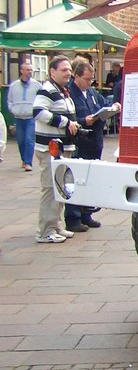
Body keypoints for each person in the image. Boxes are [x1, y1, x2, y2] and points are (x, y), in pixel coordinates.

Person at [65, 57, 120, 232]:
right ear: (76, 77)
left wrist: (114, 107)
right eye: (87, 79)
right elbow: (69, 120)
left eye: (91, 79)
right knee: (76, 179)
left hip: (95, 141)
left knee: (90, 179)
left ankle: (86, 214)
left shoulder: (92, 93)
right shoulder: (70, 94)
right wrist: (84, 120)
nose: (90, 82)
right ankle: (73, 217)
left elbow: (104, 104)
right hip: (80, 142)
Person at [33, 54, 81, 244]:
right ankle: (45, 231)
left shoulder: (62, 91)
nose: (68, 73)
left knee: (61, 188)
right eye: (64, 70)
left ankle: (56, 224)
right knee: (50, 188)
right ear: (52, 72)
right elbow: (37, 112)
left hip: (63, 147)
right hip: (49, 148)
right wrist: (65, 122)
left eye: (69, 69)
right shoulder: (46, 90)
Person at [7, 61, 42, 171]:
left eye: (31, 70)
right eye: (27, 70)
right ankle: (24, 159)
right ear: (21, 71)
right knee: (21, 140)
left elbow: (41, 100)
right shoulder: (14, 86)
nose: (29, 72)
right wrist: (13, 110)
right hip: (18, 117)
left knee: (29, 139)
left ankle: (28, 163)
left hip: (31, 117)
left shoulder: (37, 85)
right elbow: (9, 100)